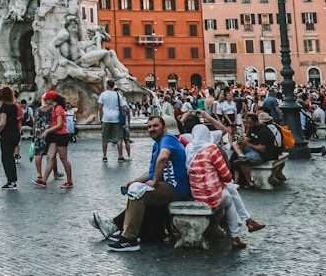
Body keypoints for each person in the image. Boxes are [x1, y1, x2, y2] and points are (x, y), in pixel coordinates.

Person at [91, 114, 191, 253]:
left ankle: (129, 239)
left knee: (138, 191)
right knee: (135, 188)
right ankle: (118, 228)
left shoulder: (167, 140)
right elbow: (151, 172)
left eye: (155, 126)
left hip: (176, 189)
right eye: (149, 127)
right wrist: (134, 181)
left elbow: (163, 158)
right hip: (168, 187)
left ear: (164, 127)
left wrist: (154, 181)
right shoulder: (158, 143)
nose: (152, 129)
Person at [185, 124, 247, 249]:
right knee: (229, 198)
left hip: (196, 195)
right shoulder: (212, 148)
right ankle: (236, 236)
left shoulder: (189, 148)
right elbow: (227, 176)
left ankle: (246, 221)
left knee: (228, 189)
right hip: (211, 198)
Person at [231, 112, 281, 187]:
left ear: (255, 121)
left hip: (263, 154)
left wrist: (248, 144)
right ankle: (236, 180)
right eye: (246, 123)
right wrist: (242, 141)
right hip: (253, 150)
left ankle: (249, 182)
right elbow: (248, 139)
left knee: (243, 162)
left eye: (249, 123)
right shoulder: (251, 127)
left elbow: (262, 149)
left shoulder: (264, 131)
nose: (248, 125)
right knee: (235, 149)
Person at [37, 92, 73, 189]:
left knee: (63, 159)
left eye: (47, 99)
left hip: (61, 136)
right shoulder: (53, 108)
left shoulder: (58, 108)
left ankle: (70, 182)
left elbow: (60, 125)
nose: (45, 101)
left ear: (51, 99)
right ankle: (44, 181)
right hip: (54, 135)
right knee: (50, 157)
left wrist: (47, 131)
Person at [0, 85, 20, 190]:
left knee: (6, 158)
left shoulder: (4, 107)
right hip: (15, 133)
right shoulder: (14, 106)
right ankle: (13, 180)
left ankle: (11, 181)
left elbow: (3, 122)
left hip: (7, 134)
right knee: (11, 158)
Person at [97, 79, 126, 162]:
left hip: (106, 118)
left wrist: (101, 118)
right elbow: (122, 107)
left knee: (104, 139)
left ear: (107, 85)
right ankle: (120, 156)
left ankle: (105, 156)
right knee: (119, 139)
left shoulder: (103, 94)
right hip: (116, 118)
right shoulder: (118, 95)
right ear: (113, 85)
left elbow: (100, 107)